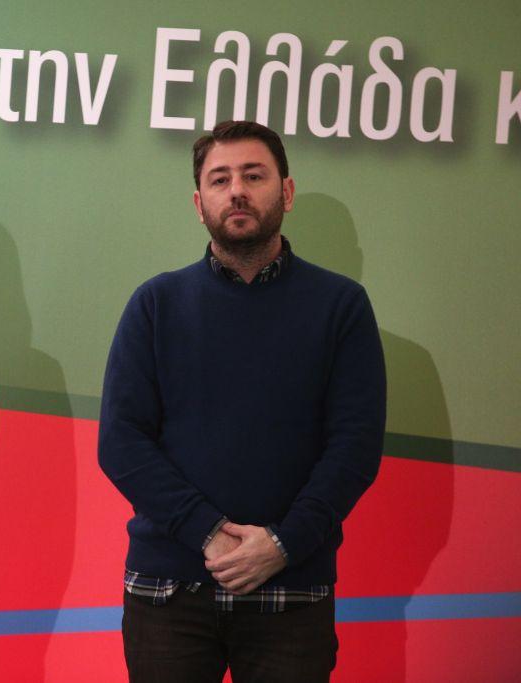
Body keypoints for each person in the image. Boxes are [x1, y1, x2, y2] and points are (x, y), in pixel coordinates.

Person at [98, 120, 386, 683]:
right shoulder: (156, 304)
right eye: (220, 179)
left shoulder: (342, 307)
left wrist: (282, 544)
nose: (237, 191)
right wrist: (208, 532)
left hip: (292, 588)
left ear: (287, 191)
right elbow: (121, 443)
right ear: (198, 203)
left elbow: (354, 448)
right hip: (169, 590)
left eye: (254, 176)